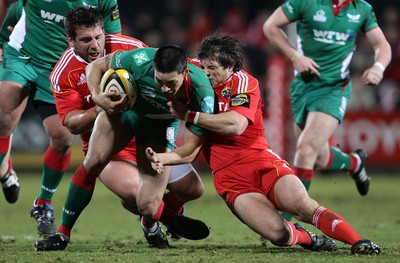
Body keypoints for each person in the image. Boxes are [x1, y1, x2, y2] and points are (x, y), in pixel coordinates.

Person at [145, 34, 381, 255]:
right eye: (204, 66)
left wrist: (189, 115)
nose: (205, 73)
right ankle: (310, 239)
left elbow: (235, 125)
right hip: (231, 181)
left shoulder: (244, 83)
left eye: (212, 69)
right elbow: (156, 58)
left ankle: (358, 242)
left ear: (230, 67)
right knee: (277, 234)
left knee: (303, 206)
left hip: (262, 163)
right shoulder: (191, 73)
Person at [33, 7, 206, 251]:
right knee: (136, 192)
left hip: (148, 133)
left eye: (98, 37)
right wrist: (99, 105)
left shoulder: (130, 47)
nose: (94, 45)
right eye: (85, 40)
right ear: (70, 40)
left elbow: (157, 77)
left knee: (193, 189)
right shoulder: (63, 72)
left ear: (104, 31)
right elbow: (71, 123)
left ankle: (159, 215)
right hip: (111, 146)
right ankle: (161, 220)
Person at [262, 0, 392, 220]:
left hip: (334, 88)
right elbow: (270, 27)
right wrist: (295, 56)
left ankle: (286, 220)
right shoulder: (306, 3)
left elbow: (382, 45)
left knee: (305, 149)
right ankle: (354, 163)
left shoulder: (361, 8)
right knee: (319, 157)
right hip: (303, 86)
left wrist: (378, 68)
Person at [0, 0, 121, 235]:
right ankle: (5, 171)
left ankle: (43, 204)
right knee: (3, 116)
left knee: (63, 138)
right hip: (23, 56)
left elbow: (113, 39)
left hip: (61, 67)